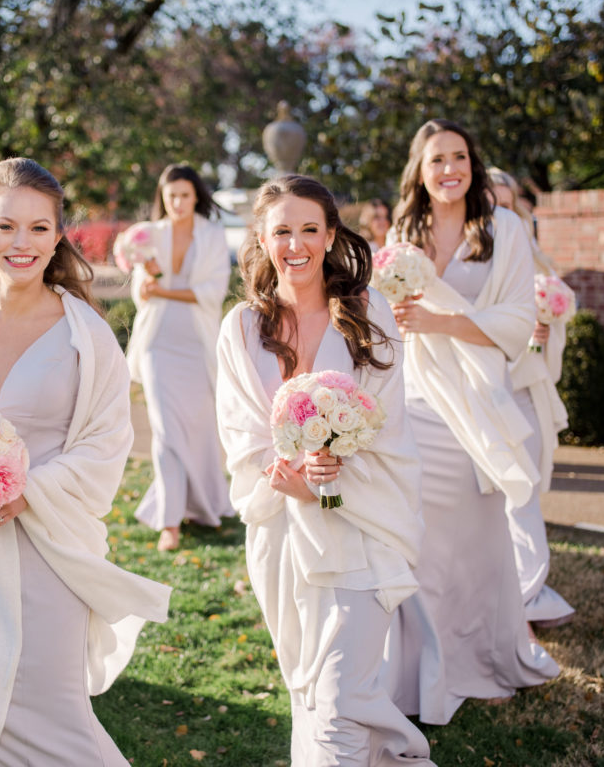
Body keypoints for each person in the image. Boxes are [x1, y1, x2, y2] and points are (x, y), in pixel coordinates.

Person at [0, 157, 171, 765]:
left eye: (39, 228)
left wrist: (23, 492)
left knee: (52, 721)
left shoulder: (84, 333)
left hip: (47, 547)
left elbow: (105, 442)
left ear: (58, 235)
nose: (22, 243)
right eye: (6, 226)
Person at [216, 174, 433, 766]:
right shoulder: (240, 328)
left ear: (331, 234)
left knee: (340, 700)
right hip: (280, 539)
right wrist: (282, 477)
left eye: (309, 229)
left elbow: (387, 426)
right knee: (312, 692)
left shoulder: (368, 314)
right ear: (261, 239)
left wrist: (327, 485)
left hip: (360, 531)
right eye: (281, 230)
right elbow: (239, 432)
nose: (296, 244)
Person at [381, 120, 558, 725]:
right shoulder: (406, 231)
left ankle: (484, 658)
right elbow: (389, 311)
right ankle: (424, 665)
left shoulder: (503, 227)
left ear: (472, 164)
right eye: (437, 160)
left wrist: (443, 322)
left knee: (479, 537)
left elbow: (516, 316)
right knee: (422, 537)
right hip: (421, 395)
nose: (449, 168)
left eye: (459, 157)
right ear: (420, 170)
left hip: (478, 397)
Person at [126, 163, 234, 552]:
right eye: (171, 195)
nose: (178, 202)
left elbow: (213, 290)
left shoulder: (212, 235)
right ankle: (168, 521)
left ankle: (204, 505)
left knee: (200, 428)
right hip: (158, 342)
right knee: (166, 430)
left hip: (197, 343)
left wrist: (163, 289)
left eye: (185, 195)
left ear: (196, 197)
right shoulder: (149, 235)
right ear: (163, 197)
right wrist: (147, 275)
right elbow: (142, 294)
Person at [487, 167, 575, 628]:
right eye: (492, 203)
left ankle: (529, 591)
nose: (502, 211)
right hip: (484, 387)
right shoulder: (472, 256)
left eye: (508, 202)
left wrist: (545, 325)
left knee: (523, 488)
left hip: (525, 386)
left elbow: (555, 296)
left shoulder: (531, 252)